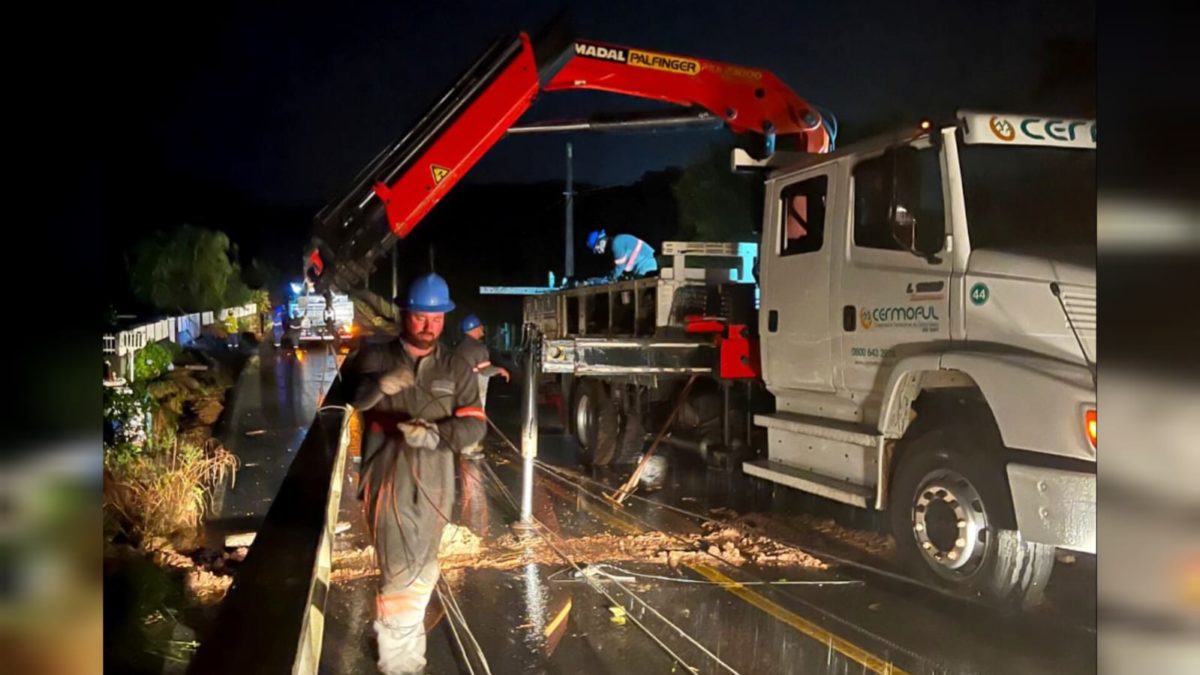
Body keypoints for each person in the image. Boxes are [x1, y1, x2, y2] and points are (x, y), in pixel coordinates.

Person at [342, 272, 485, 675]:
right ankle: (400, 665)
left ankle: (400, 647)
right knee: (399, 574)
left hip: (437, 486)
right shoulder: (375, 357)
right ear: (405, 315)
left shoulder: (455, 367)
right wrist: (381, 386)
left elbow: (475, 423)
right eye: (422, 317)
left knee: (424, 570)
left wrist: (438, 435)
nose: (429, 326)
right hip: (388, 480)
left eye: (437, 319)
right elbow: (349, 397)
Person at [453, 313, 510, 458]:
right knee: (474, 415)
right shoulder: (478, 348)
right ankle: (468, 448)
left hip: (460, 385)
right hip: (474, 385)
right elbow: (485, 370)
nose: (482, 329)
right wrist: (500, 370)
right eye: (479, 327)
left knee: (463, 414)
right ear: (474, 329)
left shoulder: (460, 347)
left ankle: (466, 445)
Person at [586, 229, 658, 280]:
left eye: (596, 248)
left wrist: (609, 278)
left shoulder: (616, 244)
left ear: (600, 242)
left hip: (646, 266)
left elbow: (620, 267)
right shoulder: (617, 242)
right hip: (644, 266)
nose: (598, 251)